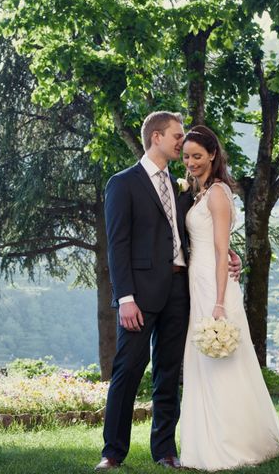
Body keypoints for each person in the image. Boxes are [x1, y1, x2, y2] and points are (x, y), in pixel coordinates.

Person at [96, 112, 241, 471]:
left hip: (180, 288)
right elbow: (117, 244)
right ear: (157, 137)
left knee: (168, 371)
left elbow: (199, 232)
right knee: (128, 368)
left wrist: (231, 254)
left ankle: (164, 450)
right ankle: (112, 452)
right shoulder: (123, 183)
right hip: (140, 295)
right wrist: (125, 298)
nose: (183, 141)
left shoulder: (181, 187)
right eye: (177, 136)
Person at [179, 125, 279, 471]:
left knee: (222, 362)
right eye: (186, 156)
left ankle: (232, 442)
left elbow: (220, 247)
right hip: (198, 282)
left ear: (213, 154)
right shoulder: (198, 193)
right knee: (204, 362)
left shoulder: (218, 193)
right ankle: (204, 442)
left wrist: (219, 302)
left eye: (198, 156)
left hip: (215, 287)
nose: (191, 162)